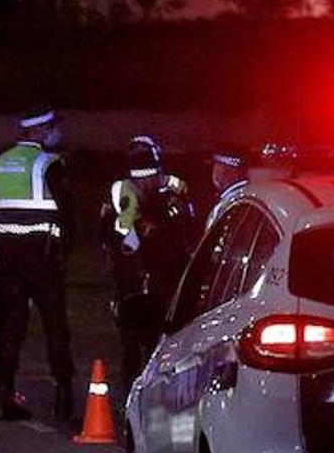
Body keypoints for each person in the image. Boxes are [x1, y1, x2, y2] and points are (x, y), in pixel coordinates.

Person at [0, 107, 75, 421]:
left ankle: (1, 394)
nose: (57, 133)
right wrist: (65, 250)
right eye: (52, 128)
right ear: (38, 131)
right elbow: (67, 213)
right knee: (55, 328)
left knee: (10, 327)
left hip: (8, 256)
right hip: (42, 255)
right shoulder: (47, 164)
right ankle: (64, 399)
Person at [99, 136, 195, 395]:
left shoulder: (169, 195)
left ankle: (149, 395)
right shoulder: (125, 196)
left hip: (158, 283)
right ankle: (135, 396)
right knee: (135, 345)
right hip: (137, 284)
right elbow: (117, 238)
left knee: (156, 345)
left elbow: (183, 236)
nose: (150, 182)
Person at [204, 147, 248, 229]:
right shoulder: (251, 196)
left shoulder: (226, 207)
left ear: (222, 170)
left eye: (216, 165)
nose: (213, 172)